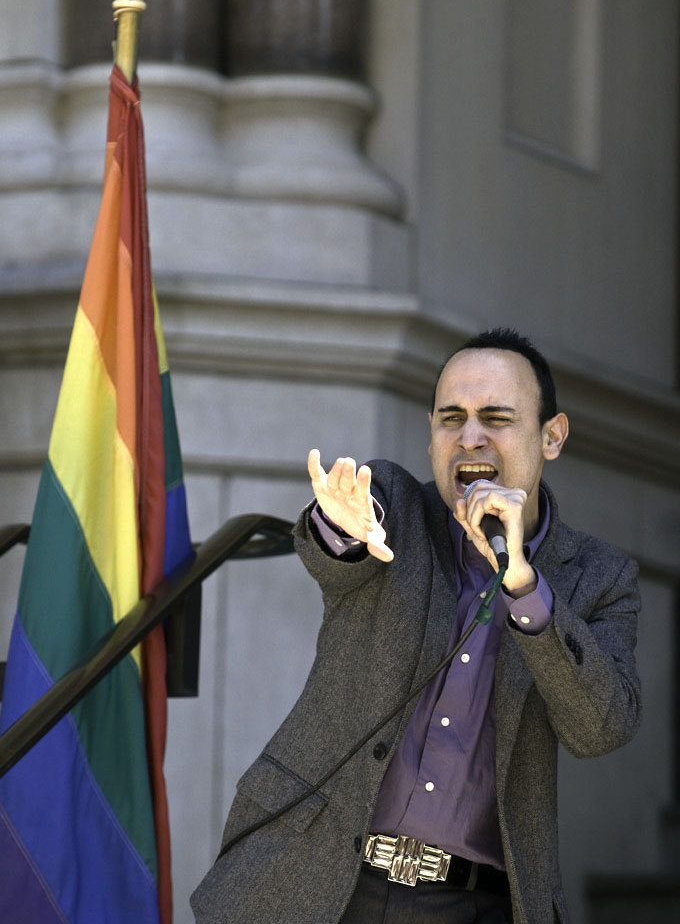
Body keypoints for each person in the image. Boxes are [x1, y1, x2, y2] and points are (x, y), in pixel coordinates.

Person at [191, 328, 641, 924]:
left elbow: (601, 729)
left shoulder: (602, 577)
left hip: (472, 902)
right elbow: (341, 548)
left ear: (551, 436)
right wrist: (341, 529)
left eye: (496, 418)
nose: (470, 437)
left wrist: (525, 588)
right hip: (312, 880)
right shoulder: (398, 507)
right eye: (451, 418)